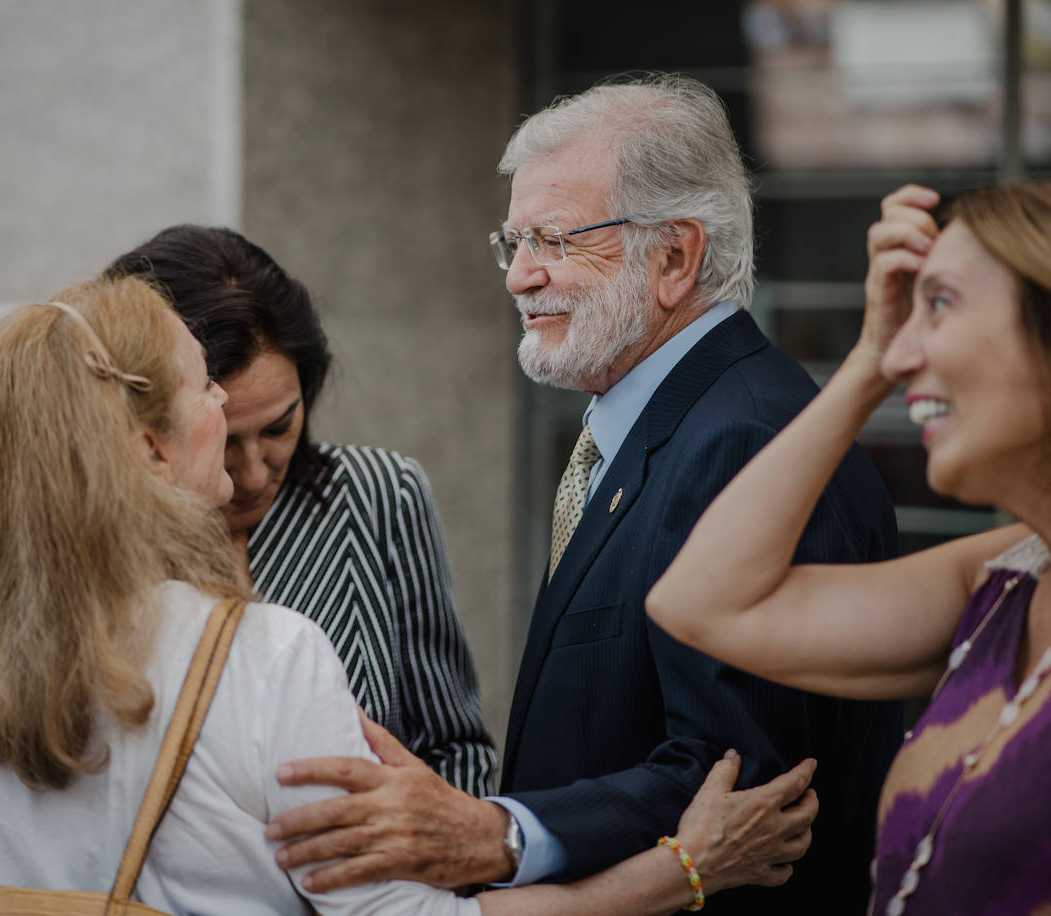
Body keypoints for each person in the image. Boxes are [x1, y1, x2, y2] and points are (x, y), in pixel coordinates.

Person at [0, 275, 819, 915]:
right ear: (151, 451)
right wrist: (683, 869)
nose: (225, 412)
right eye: (204, 387)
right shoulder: (263, 659)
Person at [265, 73, 902, 913]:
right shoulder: (668, 417)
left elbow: (741, 788)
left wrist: (498, 833)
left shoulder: (743, 437)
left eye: (553, 240)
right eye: (514, 242)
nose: (519, 278)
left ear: (674, 258)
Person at [647, 180, 1051, 914]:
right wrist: (867, 359)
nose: (904, 356)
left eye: (940, 304)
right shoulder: (1005, 580)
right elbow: (697, 602)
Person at [105, 226, 496, 796]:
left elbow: (454, 746)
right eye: (223, 440)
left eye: (279, 427)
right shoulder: (96, 535)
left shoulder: (378, 495)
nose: (253, 474)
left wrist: (442, 835)